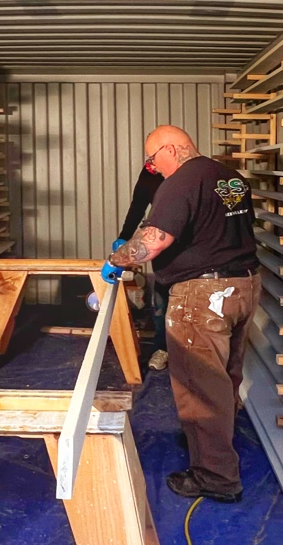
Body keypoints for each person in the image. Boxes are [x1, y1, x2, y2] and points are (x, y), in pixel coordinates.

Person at [101, 124, 260, 503]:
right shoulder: (230, 178)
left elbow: (154, 241)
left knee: (199, 384)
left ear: (171, 150)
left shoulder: (182, 181)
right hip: (244, 286)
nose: (153, 170)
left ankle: (215, 476)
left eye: (153, 161)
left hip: (202, 294)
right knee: (224, 377)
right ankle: (217, 443)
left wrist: (117, 259)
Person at [114, 163, 168, 371]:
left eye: (155, 157)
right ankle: (161, 348)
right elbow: (138, 204)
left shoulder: (187, 173)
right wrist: (124, 237)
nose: (152, 162)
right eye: (150, 158)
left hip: (188, 243)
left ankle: (188, 353)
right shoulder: (150, 171)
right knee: (162, 297)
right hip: (162, 239)